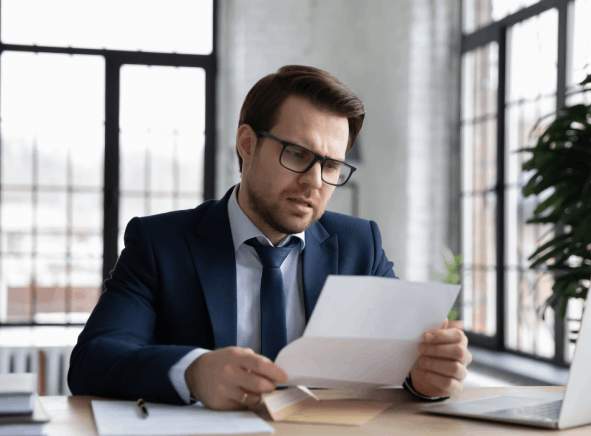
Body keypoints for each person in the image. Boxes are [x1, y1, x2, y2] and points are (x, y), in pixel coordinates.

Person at [68, 65, 471, 410]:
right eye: (297, 154)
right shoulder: (160, 243)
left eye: (331, 165)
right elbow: (92, 361)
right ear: (247, 144)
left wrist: (425, 378)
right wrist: (192, 373)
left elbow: (401, 357)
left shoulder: (359, 245)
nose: (314, 183)